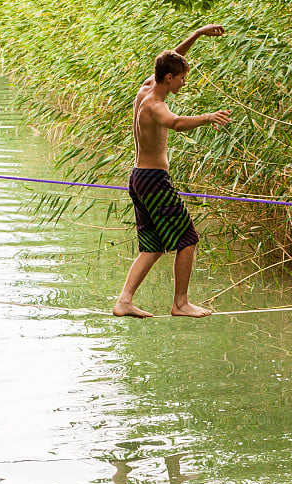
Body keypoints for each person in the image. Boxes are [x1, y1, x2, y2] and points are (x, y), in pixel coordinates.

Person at [113, 25, 231, 319]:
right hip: (154, 182)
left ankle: (124, 301)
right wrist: (208, 117)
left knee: (153, 246)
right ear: (169, 78)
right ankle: (180, 303)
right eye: (181, 78)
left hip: (138, 178)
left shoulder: (146, 88)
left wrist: (199, 34)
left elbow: (173, 56)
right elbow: (175, 123)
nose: (183, 82)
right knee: (188, 239)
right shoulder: (155, 105)